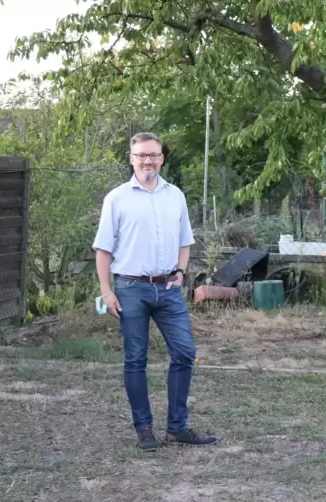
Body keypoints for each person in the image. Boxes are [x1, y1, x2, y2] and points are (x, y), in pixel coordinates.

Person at [92, 132, 217, 451]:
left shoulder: (174, 195)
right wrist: (107, 293)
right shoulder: (116, 198)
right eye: (141, 155)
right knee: (135, 359)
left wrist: (181, 272)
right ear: (131, 159)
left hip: (168, 289)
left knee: (185, 352)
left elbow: (185, 240)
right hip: (130, 288)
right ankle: (144, 428)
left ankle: (177, 427)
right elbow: (103, 250)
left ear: (162, 158)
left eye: (154, 155)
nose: (148, 160)